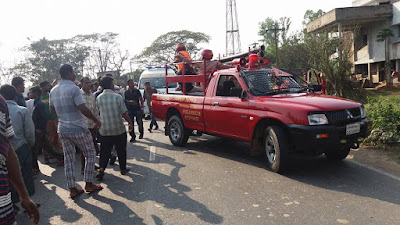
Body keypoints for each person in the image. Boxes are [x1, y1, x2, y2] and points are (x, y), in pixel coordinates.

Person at [50, 64, 103, 199]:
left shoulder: (53, 90)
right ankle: (89, 183)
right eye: (73, 71)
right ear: (68, 73)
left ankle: (72, 188)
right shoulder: (73, 88)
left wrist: (63, 115)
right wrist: (96, 120)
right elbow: (82, 108)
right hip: (78, 127)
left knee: (68, 158)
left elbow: (52, 111)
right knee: (91, 153)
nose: (74, 74)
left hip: (63, 128)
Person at [0, 95, 40, 224]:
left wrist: (24, 196)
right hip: (23, 145)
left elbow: (7, 146)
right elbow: (29, 131)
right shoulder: (21, 109)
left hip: (5, 209)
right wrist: (31, 144)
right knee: (27, 171)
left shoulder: (1, 104)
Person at [96, 76, 133, 180]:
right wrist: (130, 123)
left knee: (104, 150)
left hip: (104, 129)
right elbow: (124, 113)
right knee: (121, 149)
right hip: (118, 129)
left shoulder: (99, 98)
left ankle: (102, 168)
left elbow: (98, 113)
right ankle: (122, 168)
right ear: (111, 85)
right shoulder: (117, 97)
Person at [30, 86, 64, 173]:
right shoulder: (35, 103)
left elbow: (43, 117)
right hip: (38, 129)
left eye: (31, 92)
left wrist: (40, 128)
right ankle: (62, 157)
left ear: (36, 93)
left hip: (39, 130)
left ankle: (35, 167)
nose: (30, 94)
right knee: (47, 147)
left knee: (36, 149)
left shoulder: (40, 104)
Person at [80, 77, 100, 174]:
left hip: (92, 125)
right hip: (83, 125)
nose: (89, 84)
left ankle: (91, 164)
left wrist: (97, 121)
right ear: (82, 84)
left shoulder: (92, 95)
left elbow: (95, 109)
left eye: (89, 82)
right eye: (86, 83)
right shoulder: (79, 95)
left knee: (92, 146)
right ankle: (84, 168)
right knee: (84, 148)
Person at [40, 81, 64, 160]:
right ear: (43, 87)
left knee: (58, 136)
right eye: (47, 86)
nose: (49, 87)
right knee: (49, 137)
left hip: (55, 118)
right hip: (46, 120)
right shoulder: (39, 97)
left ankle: (60, 154)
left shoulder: (50, 95)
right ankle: (49, 154)